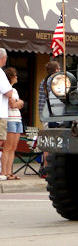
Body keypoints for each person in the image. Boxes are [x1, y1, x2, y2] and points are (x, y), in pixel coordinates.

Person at [38, 61, 61, 177]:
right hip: (52, 114)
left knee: (48, 141)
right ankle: (48, 168)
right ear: (56, 70)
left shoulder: (43, 81)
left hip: (45, 115)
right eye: (59, 69)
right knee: (51, 143)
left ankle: (46, 168)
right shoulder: (55, 82)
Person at [1, 67, 24, 180]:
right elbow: (13, 104)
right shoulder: (7, 89)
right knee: (7, 147)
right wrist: (18, 102)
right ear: (11, 77)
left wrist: (19, 102)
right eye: (15, 75)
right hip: (10, 119)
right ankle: (4, 172)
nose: (17, 77)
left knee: (14, 147)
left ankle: (9, 172)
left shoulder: (14, 90)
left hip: (17, 119)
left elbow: (19, 103)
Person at [0, 48, 13, 181]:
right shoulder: (0, 73)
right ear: (2, 58)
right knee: (1, 142)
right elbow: (8, 92)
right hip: (0, 113)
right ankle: (1, 171)